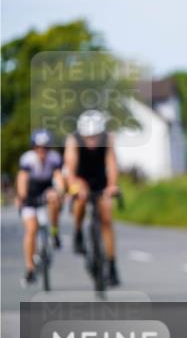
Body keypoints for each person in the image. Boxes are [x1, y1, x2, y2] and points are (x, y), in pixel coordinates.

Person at [63, 110, 122, 287]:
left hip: (100, 180)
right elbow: (70, 171)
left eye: (95, 136)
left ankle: (111, 266)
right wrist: (76, 187)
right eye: (88, 137)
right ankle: (78, 231)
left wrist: (112, 186)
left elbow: (111, 164)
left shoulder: (108, 139)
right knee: (80, 198)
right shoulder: (73, 140)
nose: (92, 141)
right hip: (79, 179)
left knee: (106, 218)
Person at [15, 129, 66, 285]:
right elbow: (22, 178)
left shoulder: (54, 158)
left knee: (54, 198)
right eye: (38, 147)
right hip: (30, 194)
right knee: (31, 229)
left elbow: (59, 177)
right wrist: (22, 196)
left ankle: (54, 231)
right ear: (34, 148)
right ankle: (30, 267)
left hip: (47, 190)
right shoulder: (28, 159)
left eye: (45, 148)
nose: (41, 151)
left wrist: (59, 191)